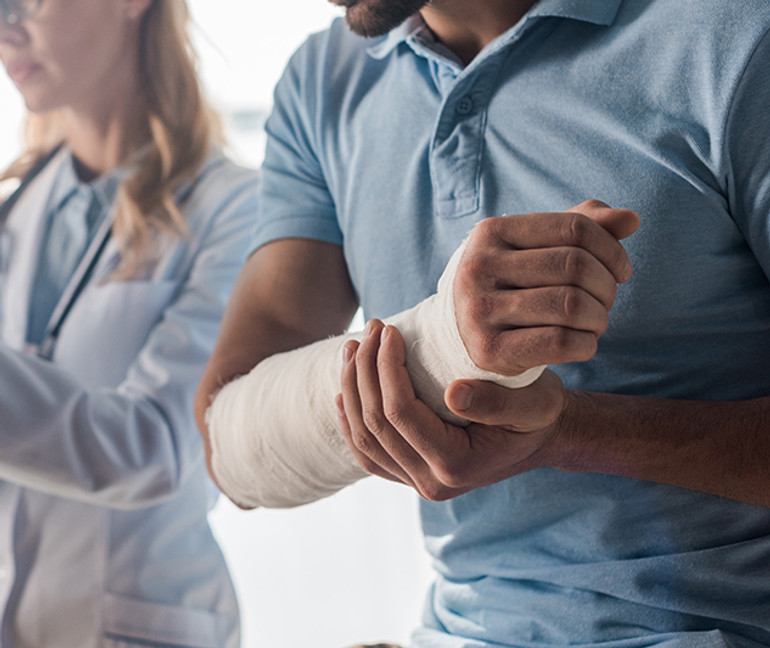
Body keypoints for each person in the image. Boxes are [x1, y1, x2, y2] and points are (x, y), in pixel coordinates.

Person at [196, 0, 770, 646]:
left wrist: (566, 431)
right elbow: (229, 446)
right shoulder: (323, 80)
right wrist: (440, 345)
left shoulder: (737, 35)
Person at [0, 0, 258, 645]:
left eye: (24, 1)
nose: (6, 29)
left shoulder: (236, 209)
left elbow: (158, 447)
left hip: (139, 627)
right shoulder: (21, 208)